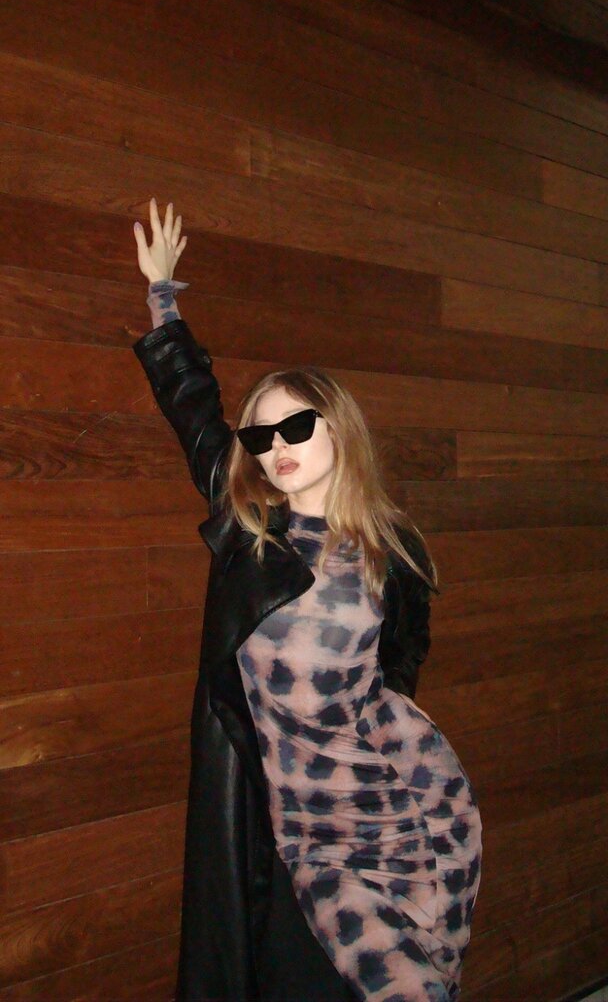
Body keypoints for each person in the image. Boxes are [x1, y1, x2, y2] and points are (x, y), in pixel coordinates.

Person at [132, 198, 482, 1002]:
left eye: (296, 426)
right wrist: (161, 298)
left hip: (394, 805)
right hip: (295, 828)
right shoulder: (252, 537)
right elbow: (192, 404)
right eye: (261, 435)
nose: (276, 447)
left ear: (337, 428)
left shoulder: (393, 553)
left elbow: (398, 669)